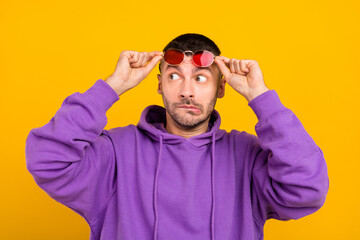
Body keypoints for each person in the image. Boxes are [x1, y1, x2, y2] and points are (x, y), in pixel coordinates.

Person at [25, 33, 329, 240]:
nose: (186, 90)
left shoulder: (246, 155)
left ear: (221, 88)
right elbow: (47, 160)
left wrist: (261, 97)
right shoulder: (116, 152)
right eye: (173, 76)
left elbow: (307, 189)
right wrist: (111, 87)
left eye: (200, 79)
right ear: (159, 85)